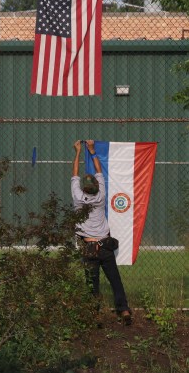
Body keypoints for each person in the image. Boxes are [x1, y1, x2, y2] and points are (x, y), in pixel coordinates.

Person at [72, 139, 132, 326]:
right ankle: (123, 310)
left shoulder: (77, 197)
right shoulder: (101, 196)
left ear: (82, 187)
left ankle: (95, 315)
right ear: (97, 187)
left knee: (92, 285)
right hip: (105, 246)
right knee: (115, 280)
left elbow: (74, 173)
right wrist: (92, 150)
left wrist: (78, 152)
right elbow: (99, 171)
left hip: (89, 247)